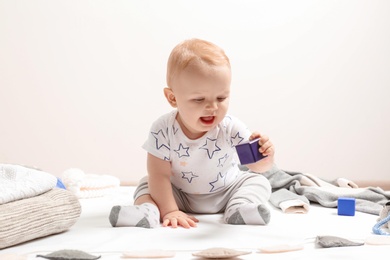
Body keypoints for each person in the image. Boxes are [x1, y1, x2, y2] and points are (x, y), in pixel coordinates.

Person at [109, 38, 275, 229]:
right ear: (172, 98)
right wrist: (170, 210)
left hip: (227, 191)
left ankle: (239, 208)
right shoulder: (163, 129)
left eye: (221, 98)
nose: (212, 107)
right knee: (147, 184)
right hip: (180, 195)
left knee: (258, 181)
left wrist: (265, 158)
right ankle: (149, 211)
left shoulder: (231, 127)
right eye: (199, 99)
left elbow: (255, 166)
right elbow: (159, 175)